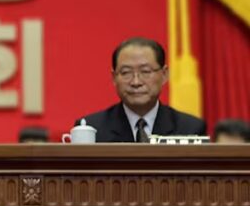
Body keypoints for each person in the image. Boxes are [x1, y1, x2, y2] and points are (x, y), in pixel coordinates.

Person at [76, 37, 206, 143]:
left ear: (164, 74)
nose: (136, 82)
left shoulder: (190, 129)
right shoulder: (91, 130)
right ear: (114, 77)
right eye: (126, 72)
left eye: (145, 71)